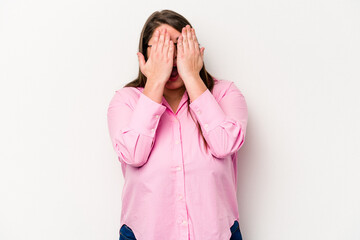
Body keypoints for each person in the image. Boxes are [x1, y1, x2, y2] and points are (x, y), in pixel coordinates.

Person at [107, 9, 248, 240]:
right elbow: (133, 154)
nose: (170, 56)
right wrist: (155, 81)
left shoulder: (225, 94)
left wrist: (192, 75)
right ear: (143, 58)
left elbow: (224, 145)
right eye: (161, 47)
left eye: (178, 46)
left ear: (196, 51)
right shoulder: (126, 101)